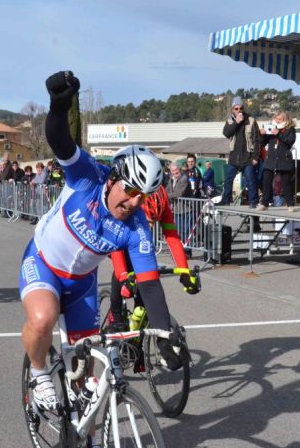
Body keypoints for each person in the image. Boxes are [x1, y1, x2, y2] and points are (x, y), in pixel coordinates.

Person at [20, 71, 180, 420]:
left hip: (81, 284)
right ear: (113, 179)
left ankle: (88, 439)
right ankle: (39, 373)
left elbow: (150, 285)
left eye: (144, 196)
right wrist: (59, 106)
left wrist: (165, 336)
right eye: (131, 190)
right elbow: (59, 139)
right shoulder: (88, 176)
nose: (135, 203)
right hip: (43, 263)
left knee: (86, 384)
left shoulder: (136, 227)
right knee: (43, 318)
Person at [109, 185, 199, 333]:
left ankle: (139, 325)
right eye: (147, 221)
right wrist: (123, 276)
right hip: (120, 240)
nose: (150, 226)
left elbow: (172, 238)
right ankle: (115, 314)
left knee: (145, 288)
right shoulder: (129, 204)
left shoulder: (163, 206)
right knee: (126, 267)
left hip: (140, 244)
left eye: (154, 222)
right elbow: (116, 247)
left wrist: (184, 271)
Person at [219, 96, 260, 207]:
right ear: (233, 109)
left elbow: (257, 140)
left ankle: (253, 202)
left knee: (251, 180)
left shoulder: (251, 120)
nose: (239, 110)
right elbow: (226, 134)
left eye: (241, 108)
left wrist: (255, 157)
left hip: (248, 156)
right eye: (236, 108)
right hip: (234, 156)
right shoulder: (229, 121)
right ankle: (226, 200)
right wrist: (236, 123)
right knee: (228, 179)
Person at [257, 111, 296, 212]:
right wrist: (261, 135)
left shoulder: (290, 129)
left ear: (285, 120)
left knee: (286, 183)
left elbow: (289, 141)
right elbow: (261, 142)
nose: (278, 121)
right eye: (276, 118)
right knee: (266, 181)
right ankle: (264, 204)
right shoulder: (270, 127)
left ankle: (290, 204)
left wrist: (278, 134)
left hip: (284, 159)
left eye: (280, 119)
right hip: (270, 158)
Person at [165, 162, 192, 248]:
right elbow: (166, 190)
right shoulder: (171, 179)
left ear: (179, 169)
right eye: (173, 171)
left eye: (176, 170)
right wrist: (166, 194)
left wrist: (166, 196)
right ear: (170, 171)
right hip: (177, 209)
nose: (175, 172)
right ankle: (180, 249)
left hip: (186, 209)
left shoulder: (184, 178)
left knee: (186, 231)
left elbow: (179, 193)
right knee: (178, 230)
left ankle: (187, 251)